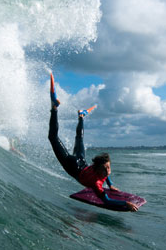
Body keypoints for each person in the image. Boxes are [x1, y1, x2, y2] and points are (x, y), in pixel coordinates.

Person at [48, 73, 139, 212]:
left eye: (109, 167)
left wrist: (110, 184)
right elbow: (106, 201)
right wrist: (125, 204)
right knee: (54, 138)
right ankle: (55, 108)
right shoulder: (96, 183)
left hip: (81, 161)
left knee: (79, 138)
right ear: (97, 169)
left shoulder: (101, 171)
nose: (108, 171)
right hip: (73, 167)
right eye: (105, 169)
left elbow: (105, 175)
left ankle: (81, 116)